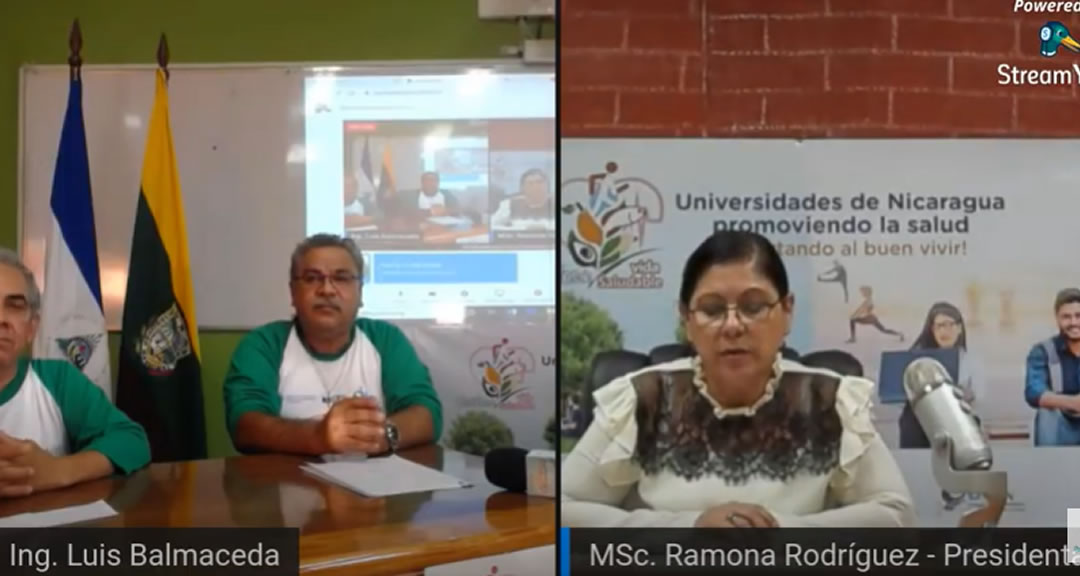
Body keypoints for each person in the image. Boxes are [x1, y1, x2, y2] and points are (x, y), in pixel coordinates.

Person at [562, 231, 915, 528]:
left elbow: (895, 513)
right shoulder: (641, 397)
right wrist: (690, 527)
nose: (733, 326)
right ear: (687, 317)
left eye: (754, 306)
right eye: (712, 310)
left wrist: (777, 529)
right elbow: (562, 508)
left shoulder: (832, 399)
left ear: (787, 311)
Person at [223, 234, 442, 456]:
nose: (327, 290)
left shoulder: (385, 340)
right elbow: (245, 426)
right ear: (292, 292)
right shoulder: (264, 345)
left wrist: (381, 435)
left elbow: (427, 415)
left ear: (360, 292)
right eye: (311, 278)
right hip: (287, 484)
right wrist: (317, 437)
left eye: (342, 278)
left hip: (373, 486)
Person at [0, 248, 150, 498]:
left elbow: (132, 440)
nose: (2, 319)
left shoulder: (57, 381)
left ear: (31, 328)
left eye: (14, 307)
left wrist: (58, 470)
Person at [899, 302, 985, 448]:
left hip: (958, 417)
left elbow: (979, 395)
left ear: (959, 328)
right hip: (921, 420)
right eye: (939, 326)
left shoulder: (971, 361)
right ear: (932, 330)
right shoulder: (917, 361)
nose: (945, 331)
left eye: (950, 324)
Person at [1025, 288, 1080, 446]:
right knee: (1046, 414)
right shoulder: (1043, 351)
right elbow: (1034, 392)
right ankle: (1048, 467)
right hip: (1060, 425)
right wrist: (1073, 403)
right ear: (1057, 318)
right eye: (1066, 317)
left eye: (1078, 316)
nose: (1074, 322)